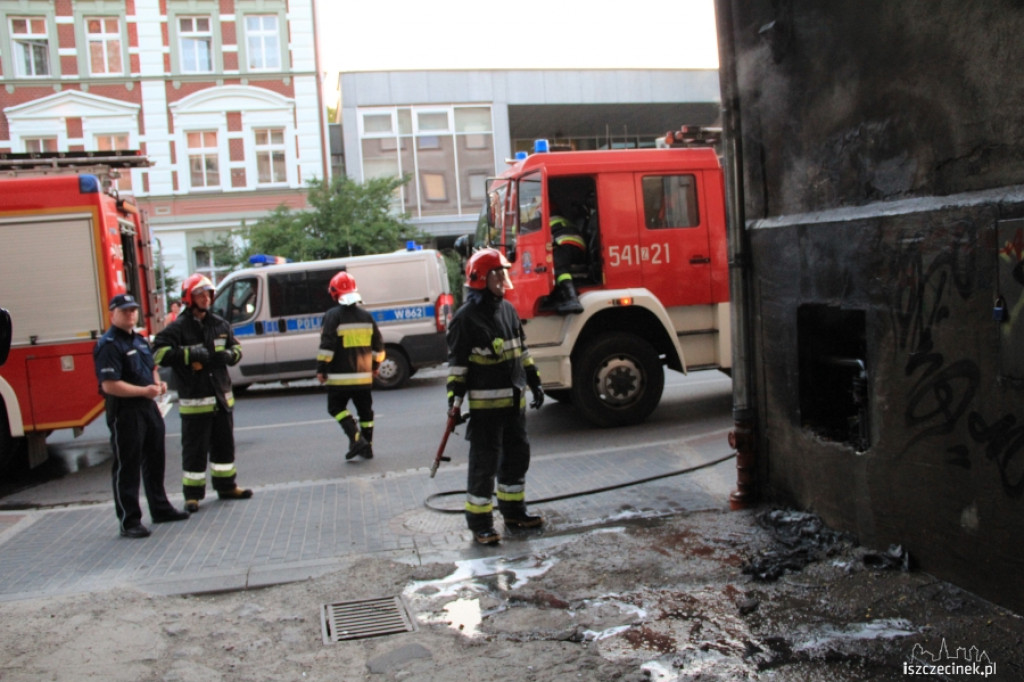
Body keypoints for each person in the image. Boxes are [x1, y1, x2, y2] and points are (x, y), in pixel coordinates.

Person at [446, 248, 545, 545]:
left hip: (514, 406)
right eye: (497, 275)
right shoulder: (465, 319)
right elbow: (457, 368)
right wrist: (454, 402)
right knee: (484, 465)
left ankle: (514, 512)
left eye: (504, 274)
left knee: (517, 458)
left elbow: (521, 353)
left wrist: (535, 381)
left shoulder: (508, 310)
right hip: (486, 410)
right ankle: (480, 524)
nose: (503, 280)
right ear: (480, 279)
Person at [93, 293, 189, 538]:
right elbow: (110, 385)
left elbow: (152, 369)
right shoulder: (109, 344)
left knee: (155, 459)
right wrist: (144, 391)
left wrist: (158, 385)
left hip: (148, 407)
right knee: (128, 465)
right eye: (125, 310)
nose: (130, 314)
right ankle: (129, 520)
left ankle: (160, 507)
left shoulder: (140, 340)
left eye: (133, 310)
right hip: (125, 411)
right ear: (112, 314)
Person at [154, 274, 251, 513]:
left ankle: (227, 486)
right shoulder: (177, 328)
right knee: (194, 452)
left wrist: (229, 356)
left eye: (208, 294)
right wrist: (190, 355)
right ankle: (193, 496)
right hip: (195, 402)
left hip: (221, 400)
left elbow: (236, 347)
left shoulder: (219, 324)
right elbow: (158, 353)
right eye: (200, 294)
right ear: (189, 298)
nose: (206, 298)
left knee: (224, 448)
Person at [316, 271, 385, 460]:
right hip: (364, 378)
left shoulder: (332, 316)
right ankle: (367, 448)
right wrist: (374, 366)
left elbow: (327, 346)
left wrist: (321, 369)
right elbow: (379, 347)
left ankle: (356, 439)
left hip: (339, 379)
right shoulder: (366, 317)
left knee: (335, 408)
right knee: (366, 413)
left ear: (334, 292)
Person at [550, 214, 586, 314]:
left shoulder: (543, 220)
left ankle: (572, 299)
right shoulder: (560, 218)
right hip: (578, 246)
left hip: (567, 242)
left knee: (557, 266)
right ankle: (563, 295)